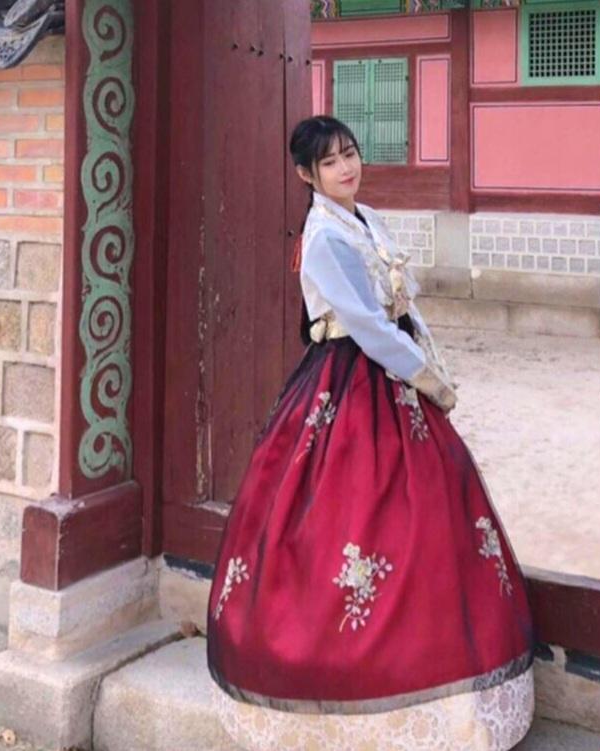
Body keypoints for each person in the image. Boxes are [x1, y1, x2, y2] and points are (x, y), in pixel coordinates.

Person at [207, 115, 535, 751]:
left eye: (351, 154)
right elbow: (366, 325)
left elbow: (402, 308)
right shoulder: (324, 238)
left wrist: (432, 361)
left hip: (391, 370)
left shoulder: (367, 219)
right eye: (330, 162)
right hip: (349, 378)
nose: (346, 168)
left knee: (431, 512)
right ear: (306, 175)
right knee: (346, 512)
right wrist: (427, 378)